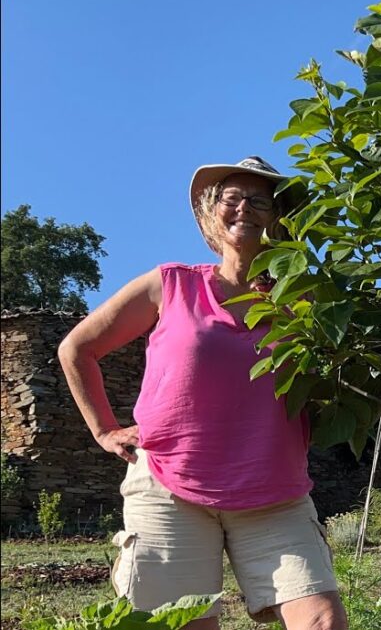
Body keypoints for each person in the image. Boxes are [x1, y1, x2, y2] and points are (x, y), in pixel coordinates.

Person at [58, 156, 347, 630]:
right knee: (182, 625)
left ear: (279, 218)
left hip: (274, 492)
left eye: (260, 201)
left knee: (322, 621)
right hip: (170, 489)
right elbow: (78, 348)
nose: (245, 209)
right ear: (214, 211)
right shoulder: (171, 285)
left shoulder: (304, 302)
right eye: (232, 198)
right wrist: (104, 429)